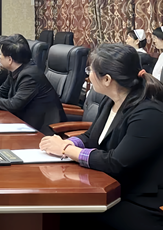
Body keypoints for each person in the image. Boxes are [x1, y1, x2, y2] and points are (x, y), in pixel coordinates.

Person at [40, 44, 163, 230]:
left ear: (107, 79)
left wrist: (66, 150)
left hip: (138, 200)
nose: (88, 75)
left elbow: (116, 162)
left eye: (90, 70)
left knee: (67, 211)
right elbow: (91, 137)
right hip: (109, 186)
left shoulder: (148, 113)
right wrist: (66, 142)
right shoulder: (110, 100)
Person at [0, 34, 66, 135]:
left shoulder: (29, 76)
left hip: (43, 129)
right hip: (24, 121)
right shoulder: (15, 69)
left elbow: (13, 105)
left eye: (0, 55)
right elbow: (3, 92)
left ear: (9, 60)